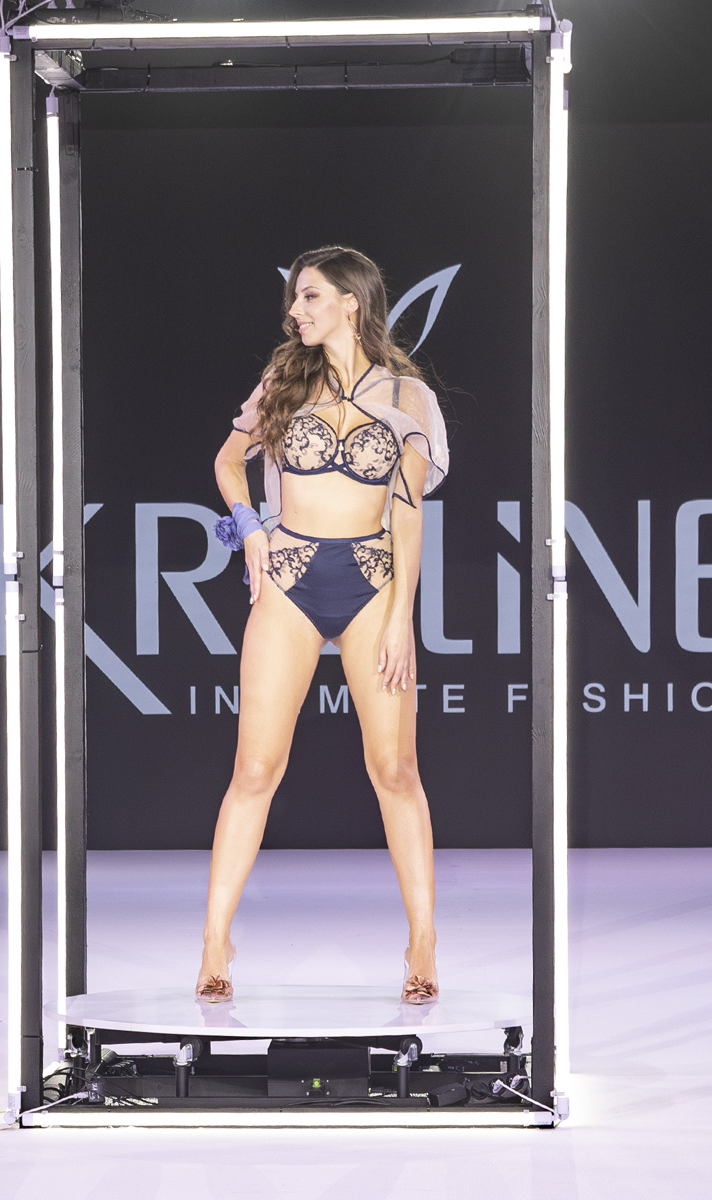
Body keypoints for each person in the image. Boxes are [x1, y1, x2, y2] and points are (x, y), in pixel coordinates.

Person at [196, 246, 449, 1005]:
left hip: (372, 585)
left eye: (310, 296)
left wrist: (402, 619)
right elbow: (229, 461)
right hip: (289, 584)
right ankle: (214, 942)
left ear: (350, 302)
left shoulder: (406, 395)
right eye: (295, 298)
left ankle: (423, 941)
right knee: (254, 770)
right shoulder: (285, 380)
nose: (296, 310)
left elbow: (409, 517)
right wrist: (249, 527)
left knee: (395, 769)